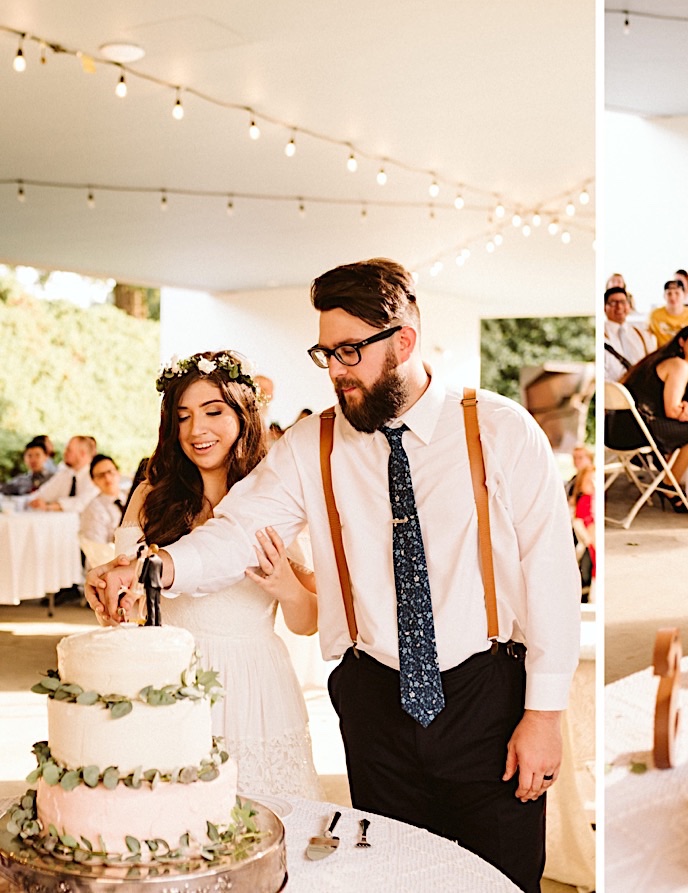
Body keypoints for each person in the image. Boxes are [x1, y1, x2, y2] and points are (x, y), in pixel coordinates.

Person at [88, 259, 579, 893]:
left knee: (505, 881)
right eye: (327, 354)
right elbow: (238, 530)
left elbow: (551, 576)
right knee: (389, 878)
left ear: (403, 340)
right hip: (373, 703)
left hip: (488, 697)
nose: (337, 372)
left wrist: (543, 713)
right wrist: (157, 564)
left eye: (351, 351)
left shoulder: (498, 428)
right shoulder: (309, 444)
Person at [100, 350, 322, 800]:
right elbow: (122, 595)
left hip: (254, 685)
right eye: (182, 417)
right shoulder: (150, 497)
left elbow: (306, 621)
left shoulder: (273, 502)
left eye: (213, 412)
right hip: (168, 675)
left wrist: (285, 586)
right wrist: (119, 603)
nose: (196, 430)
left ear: (244, 414)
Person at [606, 324, 688, 511]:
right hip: (634, 433)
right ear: (682, 341)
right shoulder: (679, 365)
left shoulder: (660, 360)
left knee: (678, 428)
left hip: (613, 430)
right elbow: (672, 411)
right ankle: (669, 484)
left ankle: (666, 477)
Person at [28, 435, 99, 512]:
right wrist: (35, 501)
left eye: (69, 450)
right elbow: (44, 493)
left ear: (82, 454)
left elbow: (82, 503)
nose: (65, 453)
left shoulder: (96, 476)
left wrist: (50, 506)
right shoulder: (65, 473)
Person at [603, 285, 654, 381]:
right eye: (613, 303)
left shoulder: (640, 334)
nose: (619, 307)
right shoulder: (601, 335)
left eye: (623, 302)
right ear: (605, 307)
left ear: (629, 306)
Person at [78, 454, 127, 545]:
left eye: (110, 472)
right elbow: (98, 548)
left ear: (118, 472)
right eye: (101, 475)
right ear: (93, 481)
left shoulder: (130, 497)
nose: (107, 478)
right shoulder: (93, 509)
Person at [569, 444, 595, 599]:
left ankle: (584, 588)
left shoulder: (590, 473)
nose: (576, 461)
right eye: (574, 458)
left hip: (584, 519)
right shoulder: (575, 477)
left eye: (580, 457)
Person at [647, 279, 688, 348]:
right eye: (669, 293)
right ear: (664, 296)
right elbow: (647, 335)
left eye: (677, 293)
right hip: (663, 355)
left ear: (684, 295)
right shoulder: (655, 315)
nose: (673, 297)